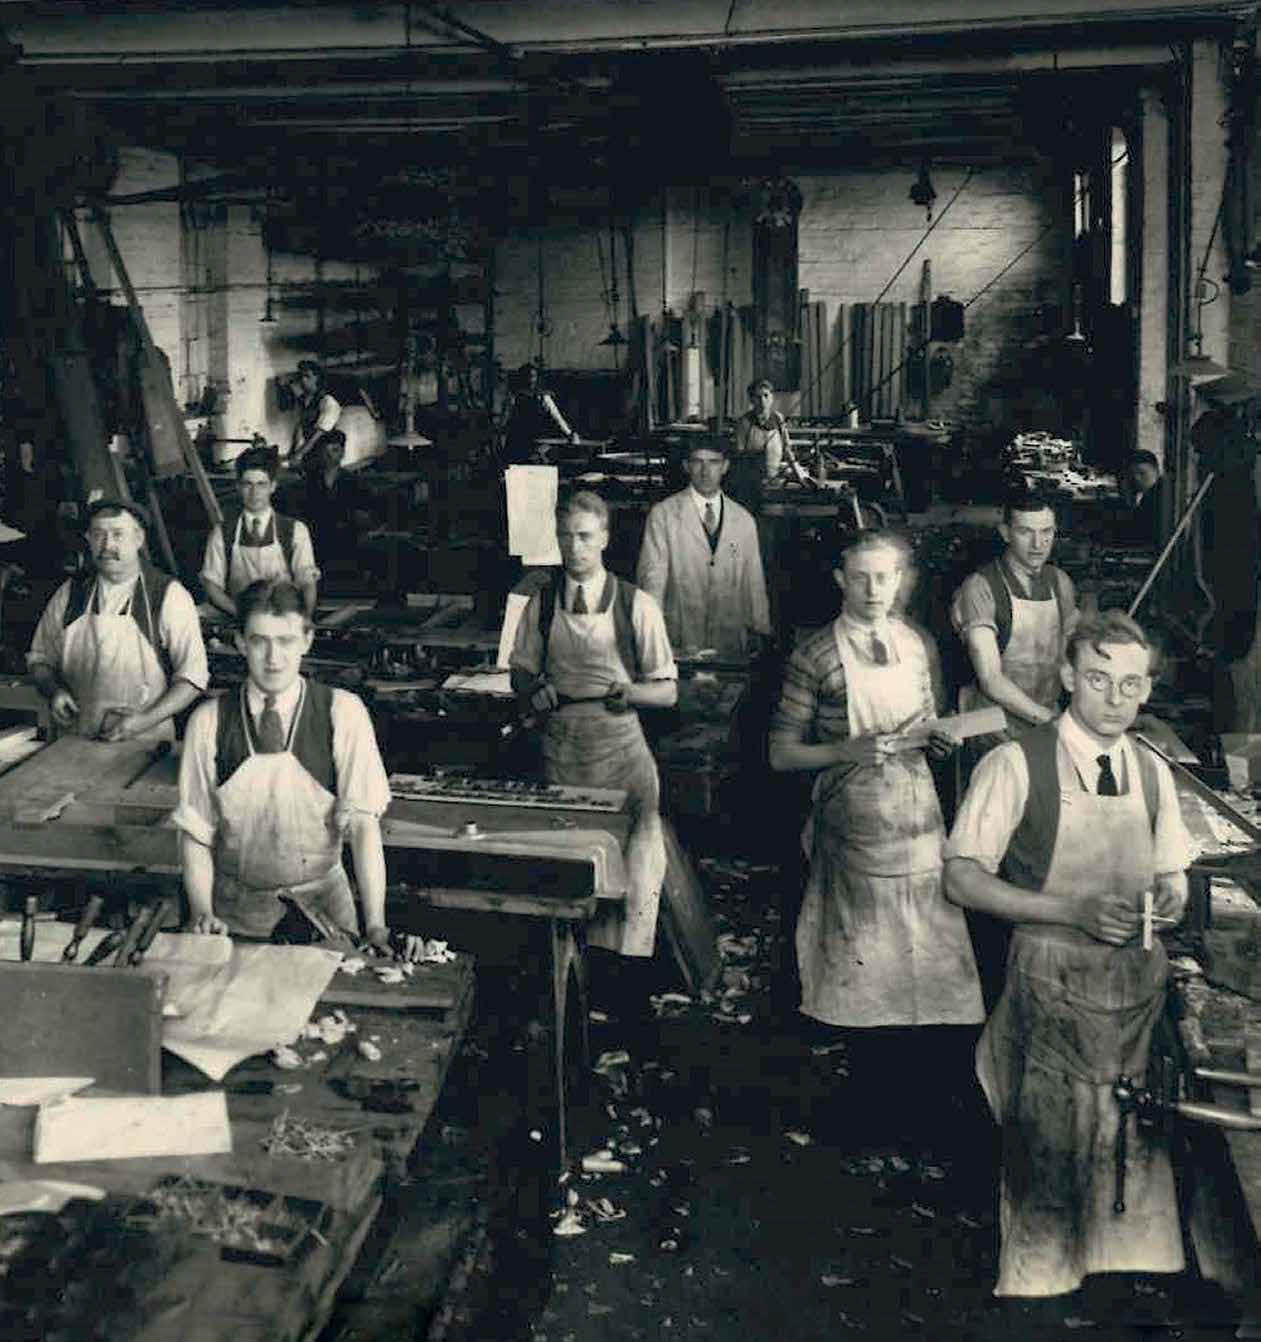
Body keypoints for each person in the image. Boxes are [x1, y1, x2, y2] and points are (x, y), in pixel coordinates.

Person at [944, 610, 1189, 1306]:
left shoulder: (1151, 769)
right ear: (1065, 678)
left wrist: (1169, 895)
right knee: (1048, 1154)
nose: (1114, 699)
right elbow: (958, 877)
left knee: (1128, 1149)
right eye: (1098, 680)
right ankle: (1037, 1296)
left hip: (1132, 994)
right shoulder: (1014, 762)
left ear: (1146, 691)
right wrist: (1068, 912)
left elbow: (1171, 870)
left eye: (1130, 685)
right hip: (1050, 985)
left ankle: (1120, 1285)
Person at [768, 530, 983, 1141]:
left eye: (883, 578)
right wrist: (847, 749)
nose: (872, 590)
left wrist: (939, 737)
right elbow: (781, 754)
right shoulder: (815, 655)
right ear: (840, 579)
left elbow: (930, 720)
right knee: (866, 975)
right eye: (859, 577)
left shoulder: (916, 646)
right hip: (854, 824)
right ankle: (865, 1112)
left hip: (917, 819)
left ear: (899, 582)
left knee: (929, 966)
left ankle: (924, 1109)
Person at [172, 578, 421, 956]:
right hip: (236, 916)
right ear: (239, 642)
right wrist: (203, 912)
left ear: (307, 640)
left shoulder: (342, 713)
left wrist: (375, 924)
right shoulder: (209, 722)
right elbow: (195, 832)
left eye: (286, 641)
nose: (274, 658)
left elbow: (365, 827)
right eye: (259, 641)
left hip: (326, 917)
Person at [509, 490, 677, 967]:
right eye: (566, 537)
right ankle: (578, 974)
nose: (574, 547)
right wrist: (532, 688)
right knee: (570, 872)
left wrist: (633, 693)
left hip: (623, 754)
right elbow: (520, 671)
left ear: (604, 538)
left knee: (637, 869)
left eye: (585, 536)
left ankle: (628, 976)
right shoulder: (540, 604)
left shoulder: (635, 605)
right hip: (563, 751)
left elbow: (667, 691)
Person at [27, 498, 209, 741]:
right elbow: (40, 658)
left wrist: (142, 722)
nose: (107, 545)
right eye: (98, 534)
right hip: (74, 742)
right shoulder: (71, 593)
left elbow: (193, 678)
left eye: (117, 534)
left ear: (138, 539)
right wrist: (54, 691)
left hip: (144, 744)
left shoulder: (167, 595)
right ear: (88, 540)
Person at [951, 491, 1078, 751]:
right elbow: (991, 679)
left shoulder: (1060, 582)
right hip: (992, 728)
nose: (1038, 544)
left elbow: (1064, 655)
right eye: (1025, 532)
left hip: (1045, 720)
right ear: (1006, 533)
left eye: (1046, 532)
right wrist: (1049, 720)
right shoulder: (980, 587)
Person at [635, 437, 772, 659]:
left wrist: (760, 631)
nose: (705, 471)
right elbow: (653, 579)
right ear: (686, 466)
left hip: (730, 642)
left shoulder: (743, 520)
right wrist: (651, 635)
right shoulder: (663, 515)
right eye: (698, 462)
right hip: (680, 639)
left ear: (725, 466)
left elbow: (753, 583)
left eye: (713, 462)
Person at [201, 443, 320, 618]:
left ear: (273, 486)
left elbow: (307, 581)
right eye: (247, 484)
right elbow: (211, 584)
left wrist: (305, 619)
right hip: (237, 615)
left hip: (283, 617)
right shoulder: (222, 533)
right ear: (238, 487)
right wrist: (241, 615)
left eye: (261, 484)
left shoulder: (295, 531)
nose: (254, 492)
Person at [500, 363, 579, 466]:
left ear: (536, 378)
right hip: (518, 441)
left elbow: (557, 417)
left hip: (537, 442)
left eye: (533, 376)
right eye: (527, 377)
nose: (531, 380)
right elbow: (505, 420)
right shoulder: (514, 397)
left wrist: (569, 433)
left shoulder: (543, 397)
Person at [734, 378, 793, 481]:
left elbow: (786, 448)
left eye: (766, 396)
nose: (762, 401)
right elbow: (740, 453)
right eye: (758, 397)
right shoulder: (745, 422)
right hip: (752, 477)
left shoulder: (778, 419)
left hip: (776, 476)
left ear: (772, 398)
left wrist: (795, 468)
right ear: (751, 400)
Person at [289, 360, 341, 467]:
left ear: (317, 378)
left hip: (326, 452)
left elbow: (318, 434)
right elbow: (299, 426)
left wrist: (299, 453)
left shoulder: (328, 402)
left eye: (307, 376)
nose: (303, 380)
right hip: (310, 451)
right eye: (301, 376)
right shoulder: (303, 400)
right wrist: (292, 450)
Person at [1123, 450, 1173, 548]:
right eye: (1133, 474)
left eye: (1142, 473)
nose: (1137, 479)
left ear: (1157, 471)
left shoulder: (1157, 497)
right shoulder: (1147, 495)